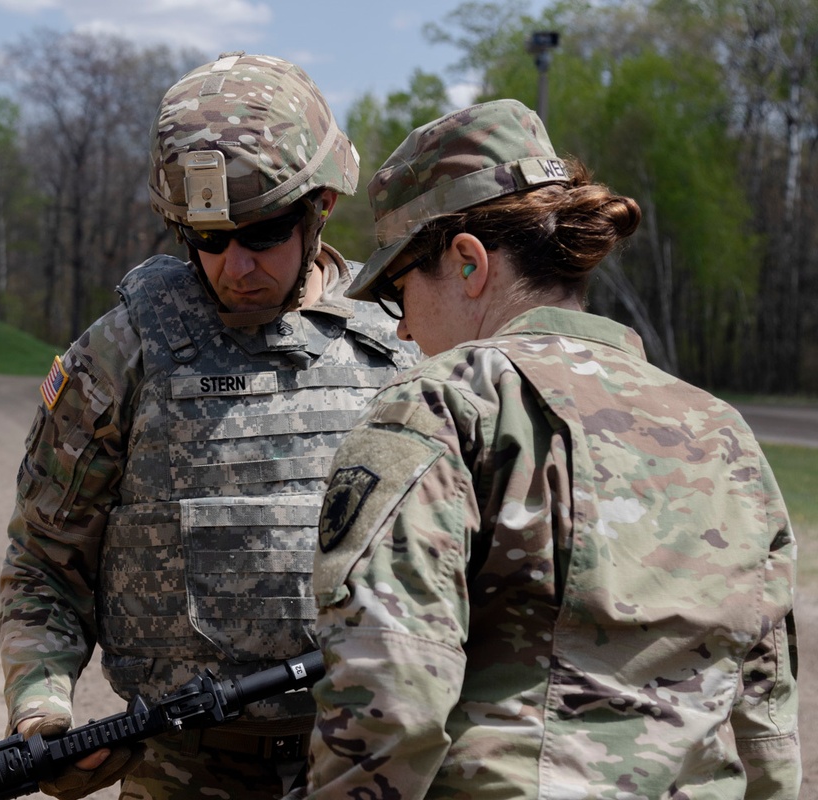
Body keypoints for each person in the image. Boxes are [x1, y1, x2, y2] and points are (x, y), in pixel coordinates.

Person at [295, 99, 800, 798]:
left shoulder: (444, 403)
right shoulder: (722, 429)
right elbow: (765, 715)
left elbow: (387, 698)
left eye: (402, 290)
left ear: (468, 263)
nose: (402, 329)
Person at [0, 52, 417, 800]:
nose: (234, 266)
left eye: (261, 235)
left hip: (363, 762)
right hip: (180, 766)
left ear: (319, 207)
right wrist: (42, 704)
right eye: (208, 240)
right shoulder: (126, 351)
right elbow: (45, 558)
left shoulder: (404, 347)